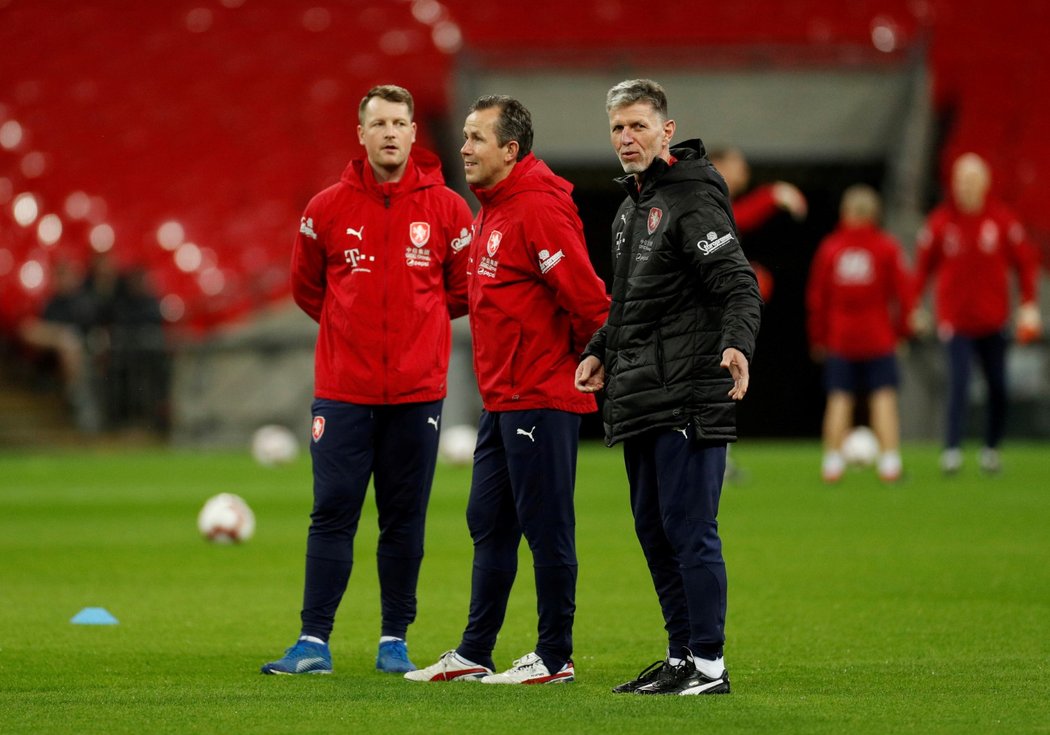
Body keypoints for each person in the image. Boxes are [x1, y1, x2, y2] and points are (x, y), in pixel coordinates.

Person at [261, 85, 474, 676]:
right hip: (344, 390)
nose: (388, 132)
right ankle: (313, 641)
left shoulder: (449, 209)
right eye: (377, 122)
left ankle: (393, 641)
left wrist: (419, 330)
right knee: (332, 511)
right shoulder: (324, 208)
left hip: (417, 391)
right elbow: (308, 289)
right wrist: (348, 329)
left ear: (412, 133)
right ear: (360, 134)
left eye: (399, 122)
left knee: (403, 517)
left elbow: (461, 290)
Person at [405, 95, 610, 685]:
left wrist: (588, 360)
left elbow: (589, 300)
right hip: (504, 400)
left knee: (547, 526)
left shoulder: (538, 210)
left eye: (475, 138)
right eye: (465, 136)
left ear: (510, 150)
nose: (463, 148)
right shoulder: (493, 208)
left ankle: (555, 656)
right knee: (488, 521)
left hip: (541, 396)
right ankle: (475, 651)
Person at [575, 79, 762, 696]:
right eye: (617, 129)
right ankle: (682, 654)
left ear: (666, 131)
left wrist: (737, 341)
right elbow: (629, 304)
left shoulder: (692, 199)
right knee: (654, 530)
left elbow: (737, 282)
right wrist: (600, 351)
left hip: (687, 392)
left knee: (689, 529)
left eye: (638, 126)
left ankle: (709, 663)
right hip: (640, 394)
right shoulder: (631, 209)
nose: (627, 139)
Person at [912, 152, 1042, 475]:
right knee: (958, 382)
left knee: (997, 385)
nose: (966, 187)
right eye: (961, 180)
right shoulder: (940, 223)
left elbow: (1025, 263)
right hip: (955, 321)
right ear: (953, 184)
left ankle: (991, 449)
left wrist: (1029, 304)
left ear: (984, 184)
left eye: (972, 180)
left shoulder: (1001, 221)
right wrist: (915, 306)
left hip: (994, 320)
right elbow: (921, 270)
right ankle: (953, 450)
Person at [806, 185, 914, 483]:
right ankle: (890, 463)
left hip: (841, 337)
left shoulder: (831, 248)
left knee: (839, 398)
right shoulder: (886, 247)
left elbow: (817, 298)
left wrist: (818, 337)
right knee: (883, 397)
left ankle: (832, 463)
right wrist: (902, 331)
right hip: (878, 336)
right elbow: (903, 296)